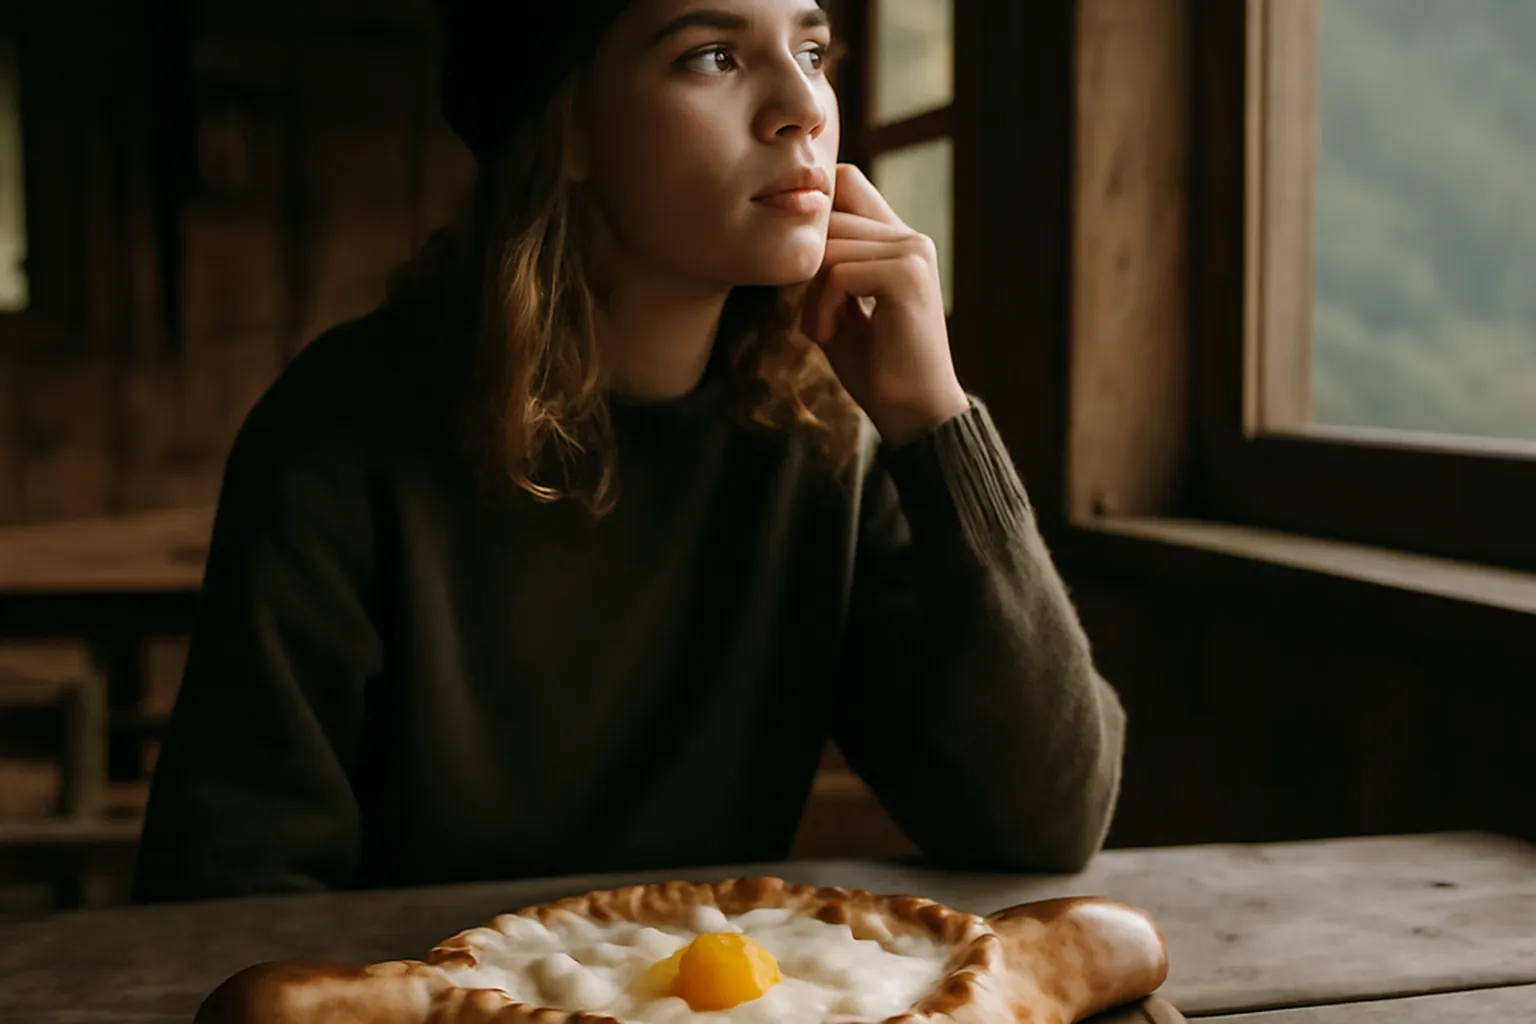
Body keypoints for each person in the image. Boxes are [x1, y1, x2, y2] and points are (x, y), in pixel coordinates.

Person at [131, 0, 1126, 904]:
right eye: (711, 55)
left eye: (812, 50)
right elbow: (227, 896)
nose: (802, 107)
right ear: (565, 127)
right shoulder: (336, 436)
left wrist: (934, 420)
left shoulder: (823, 439)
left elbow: (1043, 821)